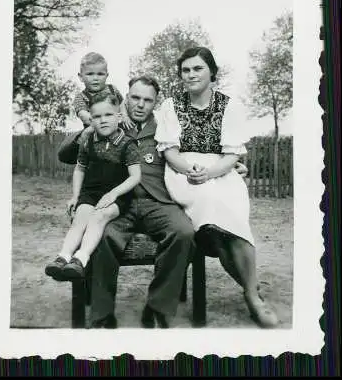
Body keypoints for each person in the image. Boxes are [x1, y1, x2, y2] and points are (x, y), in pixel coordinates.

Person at [154, 46, 278, 328]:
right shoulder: (170, 106)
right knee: (210, 204)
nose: (191, 74)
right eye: (185, 70)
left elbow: (232, 155)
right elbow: (169, 151)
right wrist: (191, 171)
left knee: (229, 220)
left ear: (212, 72)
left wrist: (210, 172)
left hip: (221, 172)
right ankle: (253, 295)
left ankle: (250, 293)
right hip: (183, 174)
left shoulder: (230, 106)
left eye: (197, 68)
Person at [88, 76, 195, 329]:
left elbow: (196, 152)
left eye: (148, 100)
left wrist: (233, 165)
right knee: (102, 236)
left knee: (184, 232)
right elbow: (68, 152)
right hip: (119, 203)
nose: (140, 104)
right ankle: (102, 313)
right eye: (135, 98)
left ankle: (157, 306)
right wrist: (89, 126)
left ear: (155, 102)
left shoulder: (165, 125)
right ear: (126, 97)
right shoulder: (110, 120)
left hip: (158, 201)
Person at [45, 92, 141, 281]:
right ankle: (63, 257)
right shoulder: (88, 142)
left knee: (98, 216)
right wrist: (75, 196)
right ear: (91, 119)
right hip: (91, 192)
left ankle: (81, 259)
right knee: (80, 218)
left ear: (119, 117)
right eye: (96, 116)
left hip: (118, 196)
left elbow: (135, 177)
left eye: (108, 115)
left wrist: (114, 194)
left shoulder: (127, 144)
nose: (102, 120)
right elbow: (80, 169)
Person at [57, 52, 135, 164]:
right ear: (81, 77)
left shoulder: (113, 89)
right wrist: (100, 120)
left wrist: (125, 115)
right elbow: (84, 115)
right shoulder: (81, 97)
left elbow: (122, 104)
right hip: (95, 132)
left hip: (116, 129)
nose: (95, 78)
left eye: (100, 74)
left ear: (107, 75)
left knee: (129, 137)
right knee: (92, 156)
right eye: (90, 74)